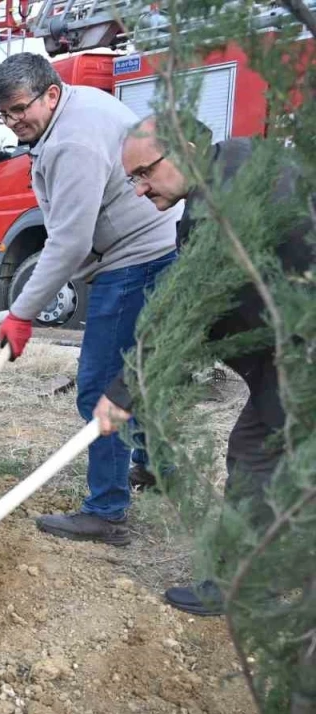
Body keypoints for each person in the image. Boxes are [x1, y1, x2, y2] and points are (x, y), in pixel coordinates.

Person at [94, 118, 311, 615]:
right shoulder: (237, 162)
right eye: (133, 179)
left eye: (146, 172)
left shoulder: (222, 207)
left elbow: (185, 311)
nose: (140, 188)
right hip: (286, 354)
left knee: (266, 459)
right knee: (257, 453)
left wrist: (126, 391)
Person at [0, 53, 180, 546]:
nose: (12, 125)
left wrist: (22, 313)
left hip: (134, 261)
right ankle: (156, 467)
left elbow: (69, 241)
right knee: (139, 374)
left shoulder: (72, 140)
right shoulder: (76, 108)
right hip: (154, 249)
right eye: (3, 115)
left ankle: (107, 508)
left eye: (18, 110)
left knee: (99, 385)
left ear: (50, 93)